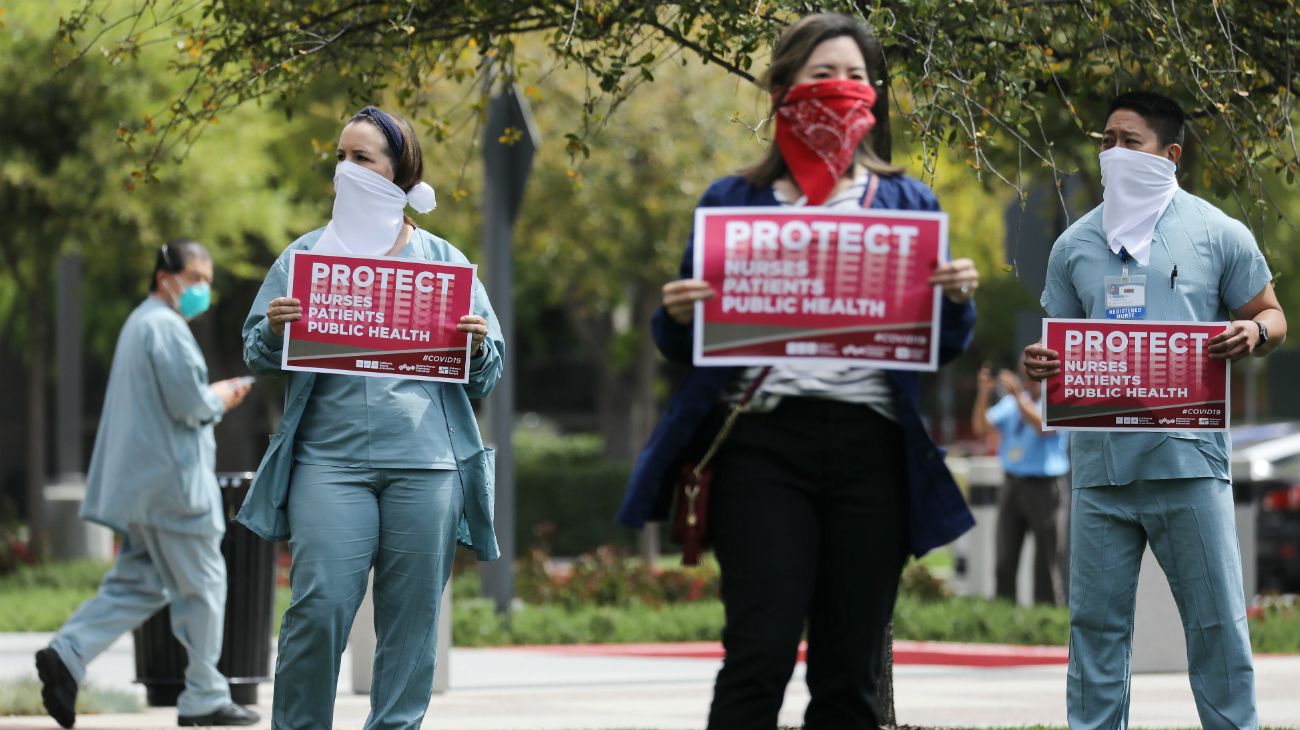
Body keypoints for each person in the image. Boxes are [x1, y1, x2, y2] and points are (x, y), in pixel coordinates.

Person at [618, 14, 980, 730]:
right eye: (821, 74)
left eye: (854, 76)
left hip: (872, 453)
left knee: (850, 670)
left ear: (873, 95)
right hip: (762, 450)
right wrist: (678, 315)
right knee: (759, 651)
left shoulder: (908, 202)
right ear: (783, 88)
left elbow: (938, 348)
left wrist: (959, 304)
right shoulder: (732, 202)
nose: (839, 89)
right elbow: (683, 344)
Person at [1023, 90, 1288, 730]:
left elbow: (1272, 315)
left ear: (1169, 155)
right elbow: (1060, 341)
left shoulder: (1219, 233)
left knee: (1217, 625)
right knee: (1094, 630)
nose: (1114, 154)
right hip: (1100, 475)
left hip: (1189, 465)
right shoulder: (1073, 246)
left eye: (1129, 142)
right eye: (1106, 141)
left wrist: (1252, 335)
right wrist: (1042, 362)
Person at [236, 105, 503, 730]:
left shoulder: (445, 261)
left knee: (411, 623)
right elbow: (255, 348)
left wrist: (476, 346)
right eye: (340, 157)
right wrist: (277, 329)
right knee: (320, 605)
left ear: (398, 172)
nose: (346, 169)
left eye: (363, 158)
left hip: (426, 468)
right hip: (328, 465)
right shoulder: (306, 258)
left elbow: (488, 373)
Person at [35, 240, 257, 728]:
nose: (204, 289)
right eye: (196, 278)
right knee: (204, 587)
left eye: (208, 280)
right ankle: (204, 695)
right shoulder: (167, 329)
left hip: (145, 490)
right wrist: (222, 395)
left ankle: (67, 652)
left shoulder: (140, 324)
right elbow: (190, 405)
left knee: (139, 583)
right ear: (166, 277)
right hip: (176, 491)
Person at [971, 363, 1068, 605]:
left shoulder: (1056, 399)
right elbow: (981, 427)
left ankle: (1045, 615)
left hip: (1044, 486)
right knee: (1005, 554)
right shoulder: (1013, 402)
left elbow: (1044, 427)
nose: (1027, 380)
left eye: (1032, 376)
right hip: (1013, 483)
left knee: (1045, 559)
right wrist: (983, 392)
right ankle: (1004, 610)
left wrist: (1016, 396)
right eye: (1025, 374)